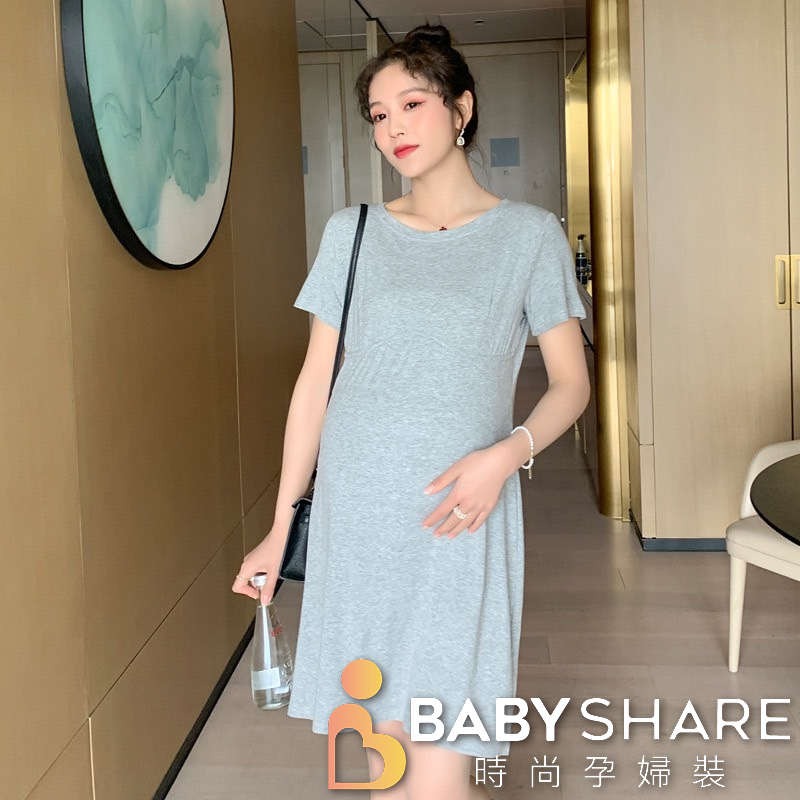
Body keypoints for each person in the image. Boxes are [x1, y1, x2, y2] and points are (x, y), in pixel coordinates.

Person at [232, 23, 590, 800]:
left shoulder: (529, 237)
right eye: (378, 114)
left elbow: (571, 383)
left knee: (437, 757)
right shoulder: (352, 232)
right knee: (379, 756)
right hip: (356, 519)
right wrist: (281, 526)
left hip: (457, 516)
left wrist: (506, 456)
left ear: (462, 108)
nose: (392, 126)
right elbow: (315, 384)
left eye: (412, 104)